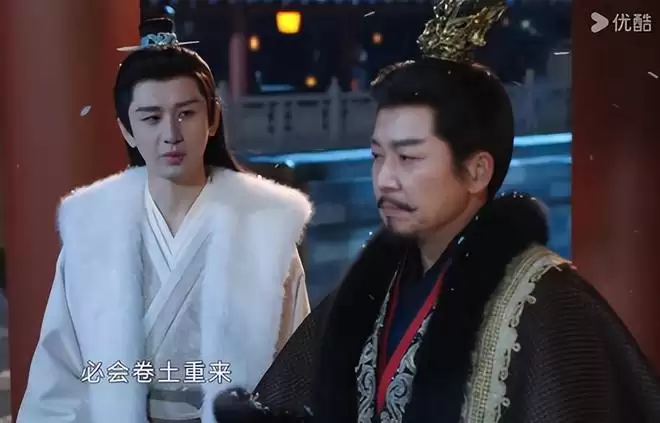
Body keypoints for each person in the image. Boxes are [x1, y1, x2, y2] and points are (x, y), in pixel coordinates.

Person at [213, 0, 660, 422]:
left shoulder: (548, 301)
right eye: (377, 156)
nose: (385, 178)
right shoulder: (371, 287)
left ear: (477, 171)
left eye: (408, 157)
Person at [17, 17, 312, 423]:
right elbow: (60, 374)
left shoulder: (263, 227)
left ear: (212, 119)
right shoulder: (92, 232)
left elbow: (296, 369)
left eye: (186, 113)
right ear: (127, 130)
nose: (171, 134)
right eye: (151, 118)